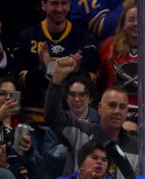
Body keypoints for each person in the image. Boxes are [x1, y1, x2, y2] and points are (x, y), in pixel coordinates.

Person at [45, 56, 139, 179]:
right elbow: (53, 117)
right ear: (99, 108)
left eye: (122, 107)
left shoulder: (137, 147)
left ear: (127, 112)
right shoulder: (81, 131)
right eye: (111, 105)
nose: (117, 111)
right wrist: (57, 80)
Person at [13, 0, 98, 129]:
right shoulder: (26, 37)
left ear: (70, 5)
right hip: (33, 123)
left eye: (63, 3)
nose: (59, 9)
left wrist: (76, 71)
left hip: (72, 124)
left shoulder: (85, 39)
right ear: (43, 5)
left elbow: (92, 84)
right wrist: (42, 69)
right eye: (54, 3)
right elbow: (20, 82)